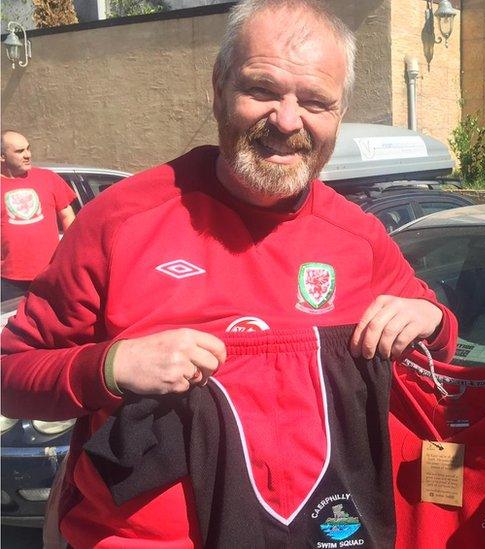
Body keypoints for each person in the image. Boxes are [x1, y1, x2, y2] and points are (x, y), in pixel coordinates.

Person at [1, 0, 457, 546]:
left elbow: (439, 352)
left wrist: (431, 319)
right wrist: (110, 364)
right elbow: (11, 377)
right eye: (262, 90)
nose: (288, 121)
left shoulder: (358, 237)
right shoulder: (120, 221)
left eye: (315, 101)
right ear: (218, 88)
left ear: (338, 113)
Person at [1, 130, 76, 296]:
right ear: (2, 156)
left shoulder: (48, 178)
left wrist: (71, 253)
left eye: (28, 148)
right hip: (8, 279)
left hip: (51, 272)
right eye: (20, 151)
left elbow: (67, 216)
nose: (27, 155)